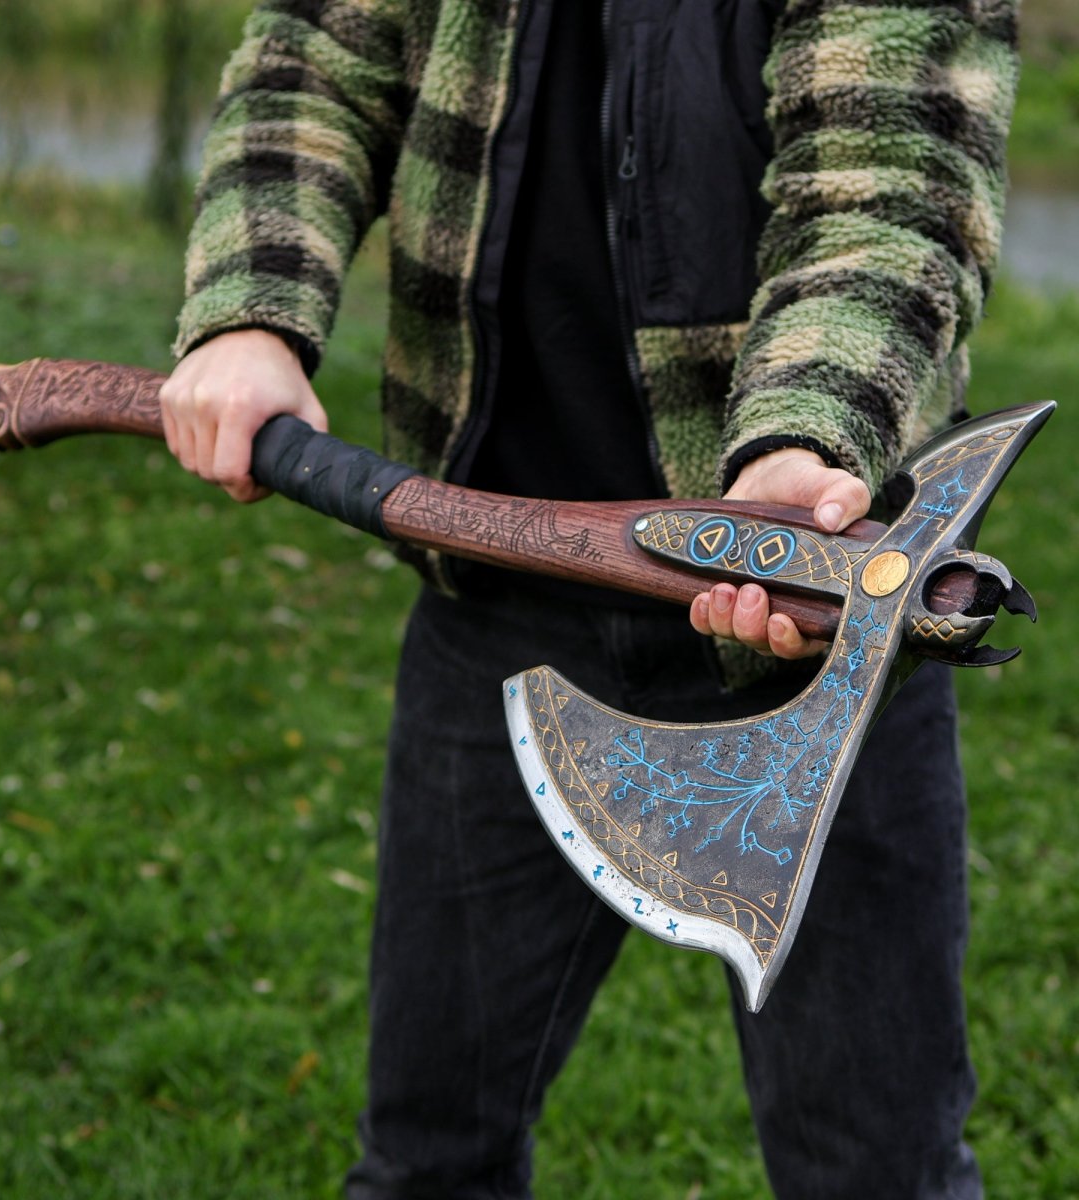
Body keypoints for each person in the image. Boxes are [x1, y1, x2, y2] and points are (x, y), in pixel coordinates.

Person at [160, 2, 1019, 1195]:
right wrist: (254, 304)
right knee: (426, 1166)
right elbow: (318, 56)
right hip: (495, 605)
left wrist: (798, 447)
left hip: (815, 630)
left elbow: (893, 176)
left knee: (879, 1173)